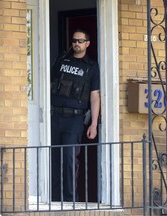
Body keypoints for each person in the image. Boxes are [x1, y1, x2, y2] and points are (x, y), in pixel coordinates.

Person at [51, 28, 100, 202]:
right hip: (55, 116)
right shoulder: (62, 60)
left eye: (80, 41)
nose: (76, 44)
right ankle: (55, 199)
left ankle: (70, 199)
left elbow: (95, 96)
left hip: (75, 119)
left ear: (87, 43)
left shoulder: (92, 67)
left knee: (69, 158)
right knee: (53, 157)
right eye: (74, 40)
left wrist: (94, 123)